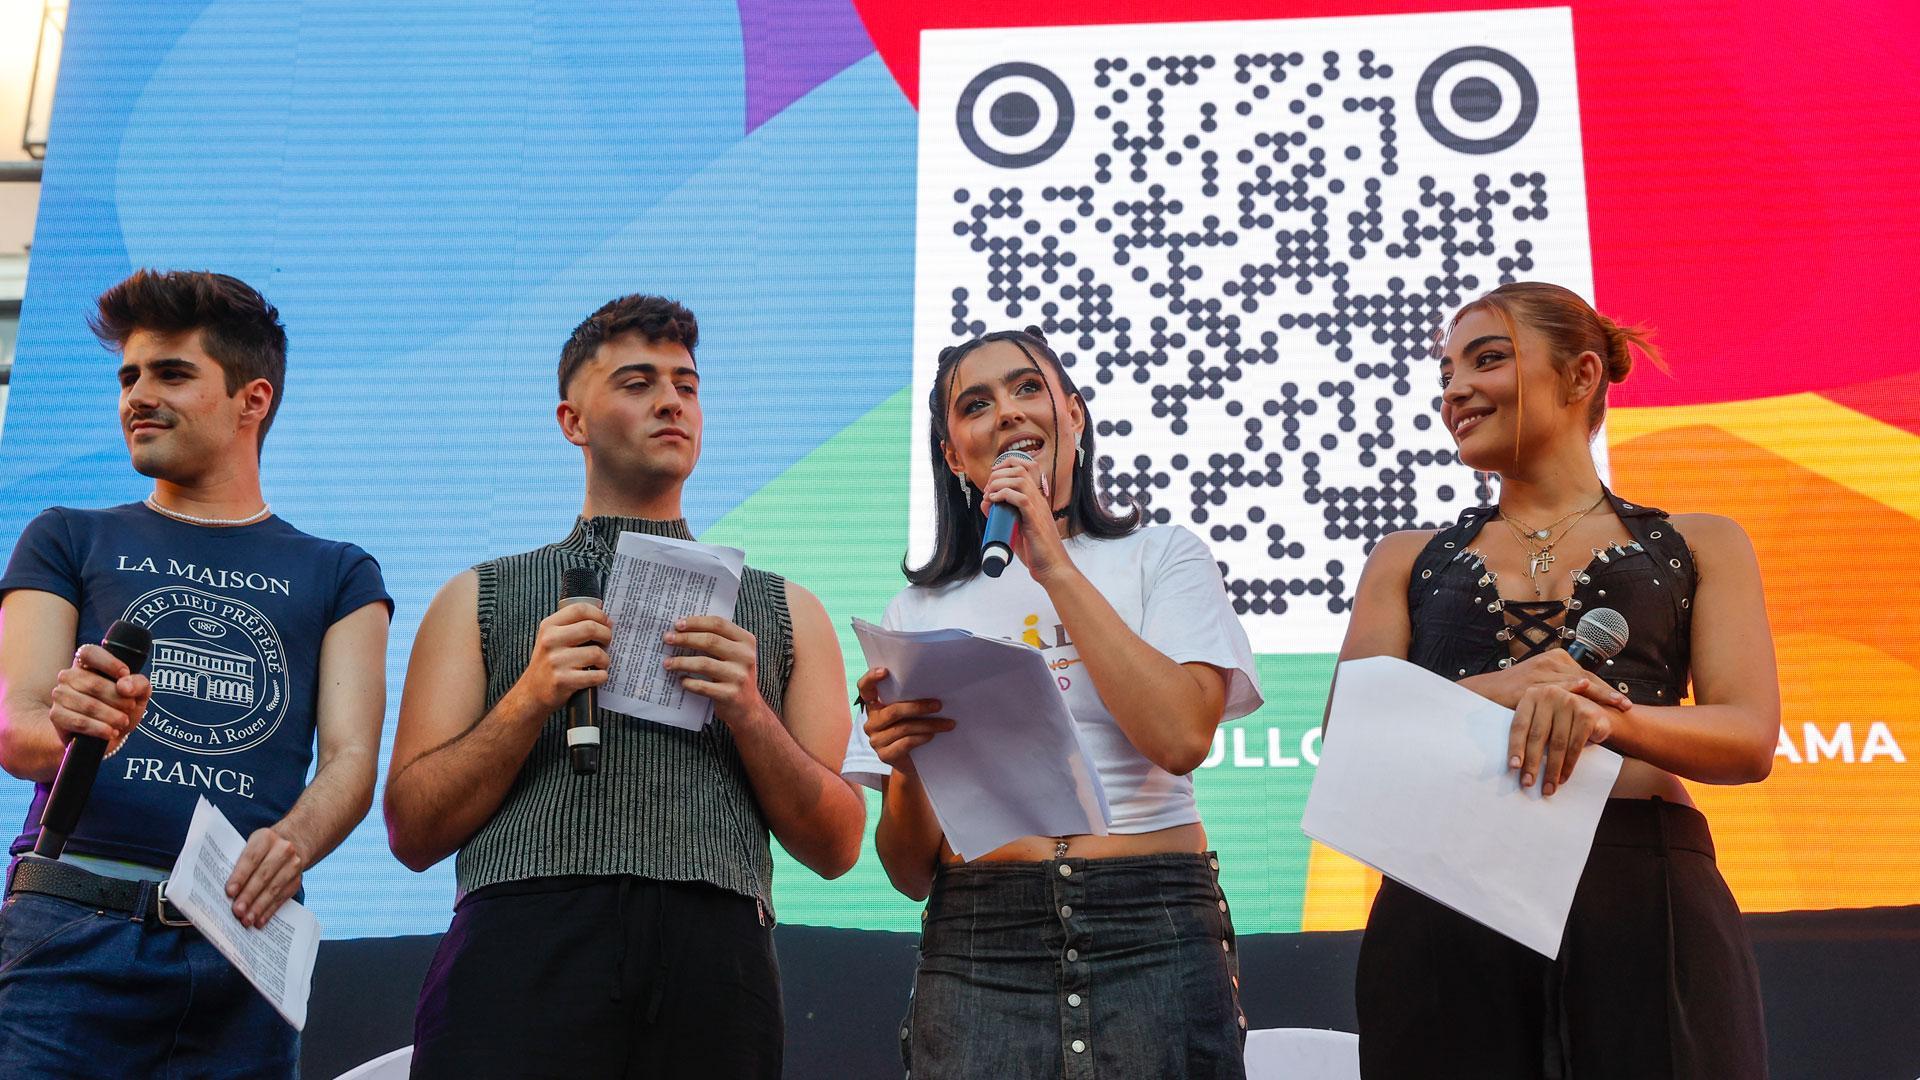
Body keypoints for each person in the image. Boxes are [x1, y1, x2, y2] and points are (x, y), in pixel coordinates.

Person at [387, 293, 865, 1079]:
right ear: (573, 421)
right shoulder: (482, 595)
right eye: (638, 383)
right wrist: (531, 695)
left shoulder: (785, 608)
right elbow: (412, 830)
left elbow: (838, 844)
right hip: (522, 934)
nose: (672, 401)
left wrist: (746, 708)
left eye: (687, 383)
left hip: (716, 950)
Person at [1339, 282, 1777, 1078]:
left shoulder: (1698, 542)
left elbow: (1748, 738)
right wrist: (1499, 690)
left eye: (1488, 358)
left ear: (1579, 377)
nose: (1455, 389)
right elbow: (1352, 737)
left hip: (1643, 890)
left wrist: (1608, 716)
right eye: (1445, 372)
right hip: (1447, 890)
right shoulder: (1407, 557)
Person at [0, 270, 392, 1077]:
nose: (139, 395)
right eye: (129, 376)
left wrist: (291, 842)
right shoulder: (65, 535)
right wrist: (76, 723)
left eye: (172, 374)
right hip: (70, 915)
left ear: (253, 400)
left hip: (241, 938)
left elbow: (352, 758)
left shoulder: (342, 571)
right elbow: (17, 725)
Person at [846, 327, 1264, 1079]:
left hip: (1152, 926)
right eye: (976, 404)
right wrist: (909, 766)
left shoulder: (1163, 554)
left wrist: (1056, 566)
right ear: (954, 453)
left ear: (1073, 415)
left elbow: (1179, 737)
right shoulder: (915, 612)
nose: (1007, 413)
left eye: (1028, 388)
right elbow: (910, 872)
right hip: (981, 937)